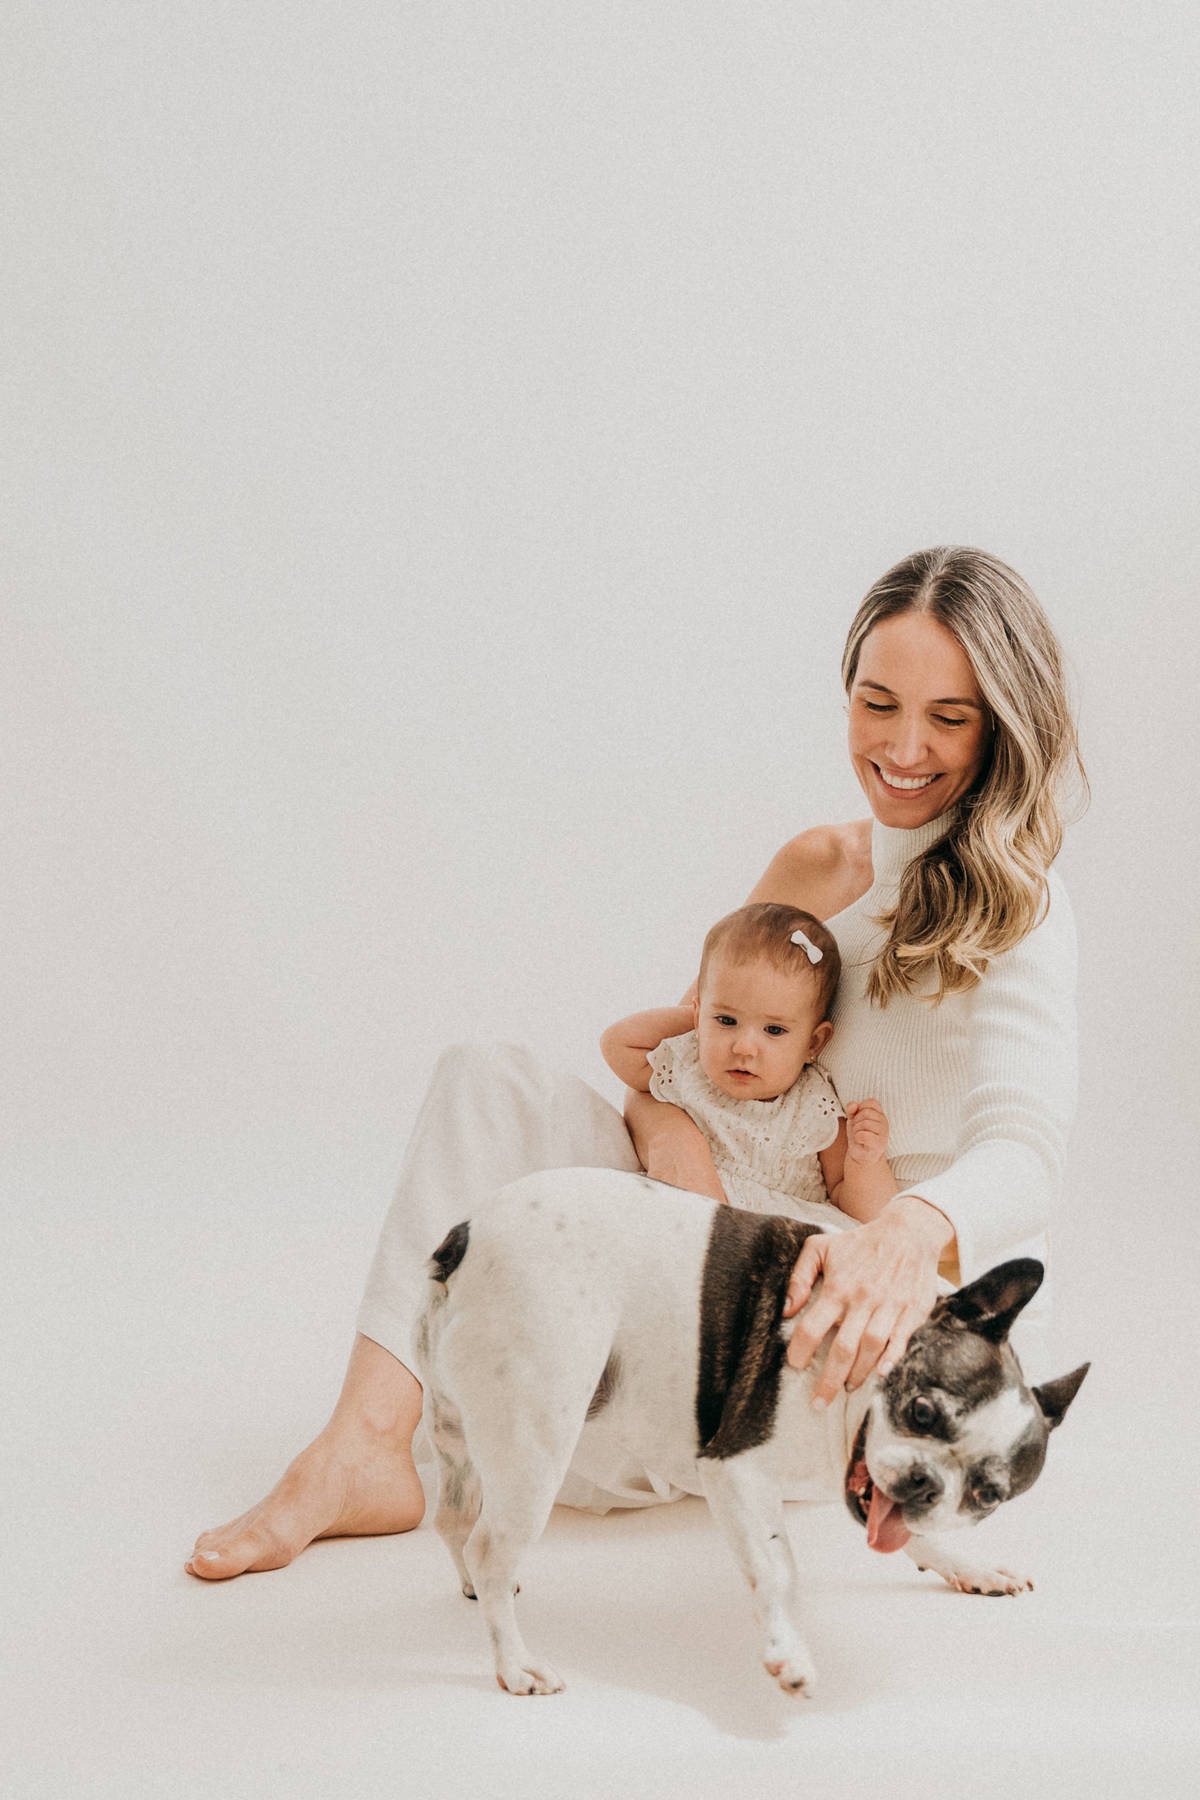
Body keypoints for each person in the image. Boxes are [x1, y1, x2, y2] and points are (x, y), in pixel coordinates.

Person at [187, 545, 1083, 1575]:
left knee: (557, 1407)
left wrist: (899, 1239)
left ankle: (597, 1427)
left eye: (950, 718)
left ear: (1006, 727)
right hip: (737, 1206)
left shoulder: (1028, 908)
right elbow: (690, 1070)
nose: (904, 746)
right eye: (878, 703)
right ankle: (365, 1447)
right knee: (485, 1080)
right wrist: (680, 1181)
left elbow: (1026, 1152)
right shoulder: (812, 869)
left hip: (891, 1301)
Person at [599, 901, 898, 1228]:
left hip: (773, 1235)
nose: (743, 1047)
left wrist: (865, 1161)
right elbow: (618, 1046)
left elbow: (865, 1211)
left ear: (813, 1043)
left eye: (773, 1030)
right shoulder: (690, 1067)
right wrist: (700, 1023)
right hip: (681, 1221)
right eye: (727, 1020)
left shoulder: (813, 1105)